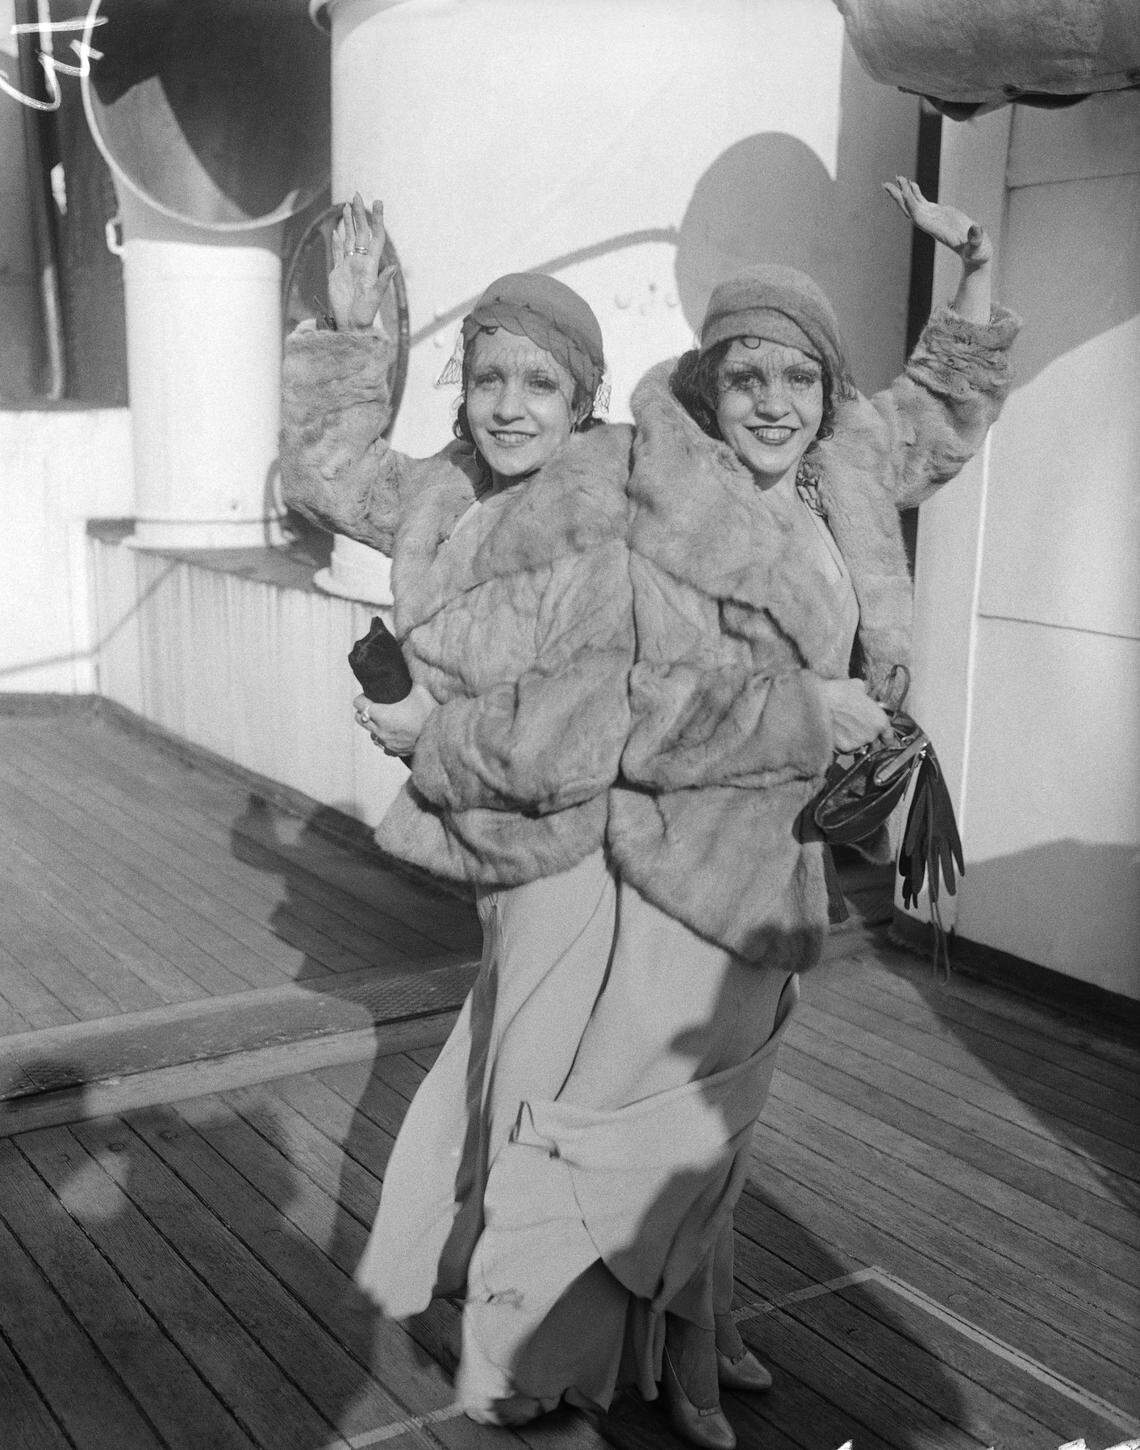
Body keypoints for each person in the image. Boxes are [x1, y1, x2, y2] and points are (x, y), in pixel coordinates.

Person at [599, 177, 1020, 1446]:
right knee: (695, 1122)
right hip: (692, 861)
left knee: (733, 1119)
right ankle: (683, 1362)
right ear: (708, 392)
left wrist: (975, 267)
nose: (775, 402)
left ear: (827, 396)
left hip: (791, 861)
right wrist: (810, 706)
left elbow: (942, 406)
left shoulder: (838, 473)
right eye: (746, 378)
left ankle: (709, 1321)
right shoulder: (674, 516)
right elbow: (652, 702)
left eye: (797, 377)